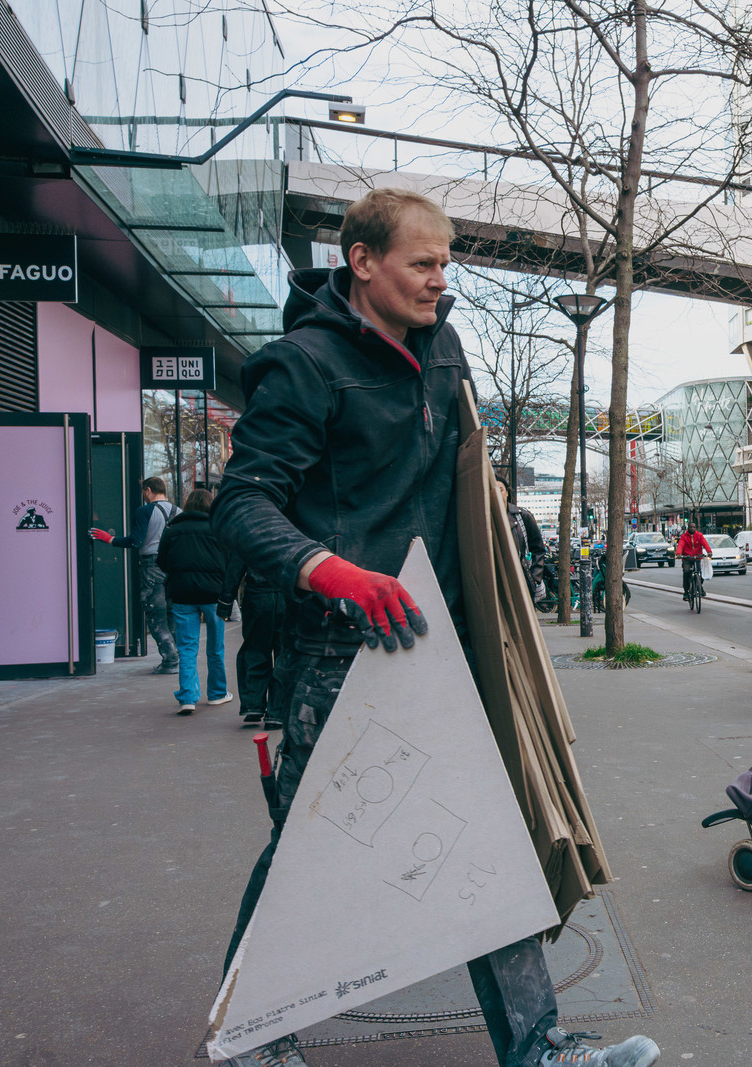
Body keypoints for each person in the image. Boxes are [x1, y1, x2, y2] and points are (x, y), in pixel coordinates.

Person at [211, 188, 659, 1067]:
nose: (439, 279)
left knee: (485, 842)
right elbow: (242, 505)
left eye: (446, 262)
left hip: (440, 645)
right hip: (341, 652)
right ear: (363, 261)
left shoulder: (443, 346)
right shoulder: (300, 366)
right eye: (423, 262)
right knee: (307, 851)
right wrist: (330, 572)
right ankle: (248, 1040)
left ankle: (538, 1049)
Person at [90, 476, 180, 674]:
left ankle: (171, 660)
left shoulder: (145, 511)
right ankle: (175, 656)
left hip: (152, 565)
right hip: (174, 567)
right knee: (171, 613)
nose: (143, 496)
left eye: (143, 492)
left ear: (148, 490)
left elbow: (136, 541)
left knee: (155, 615)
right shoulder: (178, 511)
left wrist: (110, 539)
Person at [156, 488, 231, 715]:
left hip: (183, 594)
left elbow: (162, 561)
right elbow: (230, 560)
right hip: (214, 596)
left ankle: (188, 697)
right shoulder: (219, 528)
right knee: (215, 647)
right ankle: (217, 694)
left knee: (187, 648)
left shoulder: (172, 530)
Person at [218, 552, 287, 728]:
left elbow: (235, 568)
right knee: (285, 654)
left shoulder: (251, 530)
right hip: (287, 595)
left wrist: (225, 602)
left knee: (255, 649)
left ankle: (253, 705)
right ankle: (276, 713)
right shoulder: (295, 527)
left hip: (257, 595)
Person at [498, 475, 546, 595]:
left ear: (507, 493)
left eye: (500, 490)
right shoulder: (483, 519)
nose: (497, 494)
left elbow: (538, 549)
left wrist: (534, 579)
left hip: (521, 581)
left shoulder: (522, 517)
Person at [676, 525, 712, 600]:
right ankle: (686, 592)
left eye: (694, 527)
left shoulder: (699, 535)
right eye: (691, 527)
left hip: (698, 557)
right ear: (688, 528)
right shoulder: (684, 537)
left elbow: (705, 543)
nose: (692, 528)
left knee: (700, 572)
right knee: (686, 572)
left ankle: (699, 586)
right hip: (687, 558)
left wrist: (709, 551)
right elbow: (680, 545)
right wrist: (679, 553)